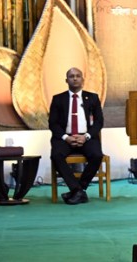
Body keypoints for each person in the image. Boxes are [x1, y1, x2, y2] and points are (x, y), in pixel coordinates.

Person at [48, 67, 104, 205]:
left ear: (82, 80)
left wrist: (86, 136)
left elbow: (99, 122)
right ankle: (77, 190)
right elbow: (53, 123)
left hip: (86, 137)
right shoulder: (58, 99)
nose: (75, 78)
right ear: (66, 80)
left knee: (97, 155)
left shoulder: (93, 98)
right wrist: (66, 138)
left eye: (78, 76)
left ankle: (78, 189)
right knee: (56, 155)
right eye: (71, 76)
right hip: (65, 138)